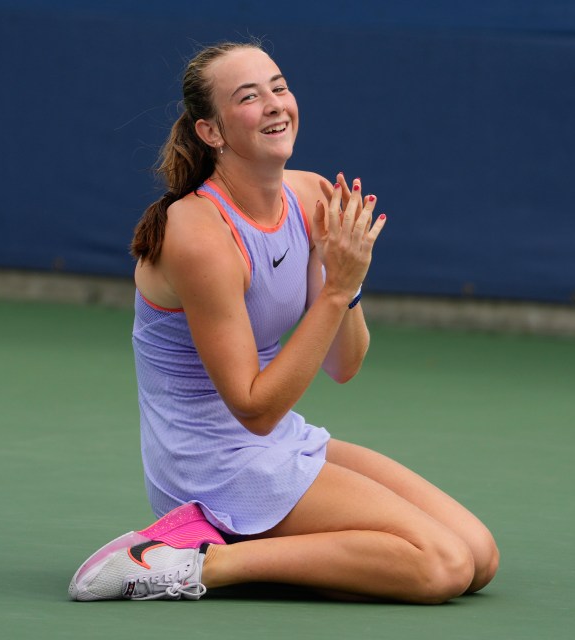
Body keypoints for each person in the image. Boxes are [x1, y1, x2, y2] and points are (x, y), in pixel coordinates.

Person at [68, 40, 498, 604]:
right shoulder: (198, 233)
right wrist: (336, 289)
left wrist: (348, 283)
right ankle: (190, 561)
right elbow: (254, 407)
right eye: (249, 97)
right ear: (212, 132)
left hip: (279, 443)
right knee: (441, 566)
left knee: (478, 555)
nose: (274, 104)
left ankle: (220, 549)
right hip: (210, 467)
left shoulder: (310, 193)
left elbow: (344, 365)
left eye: (279, 87)